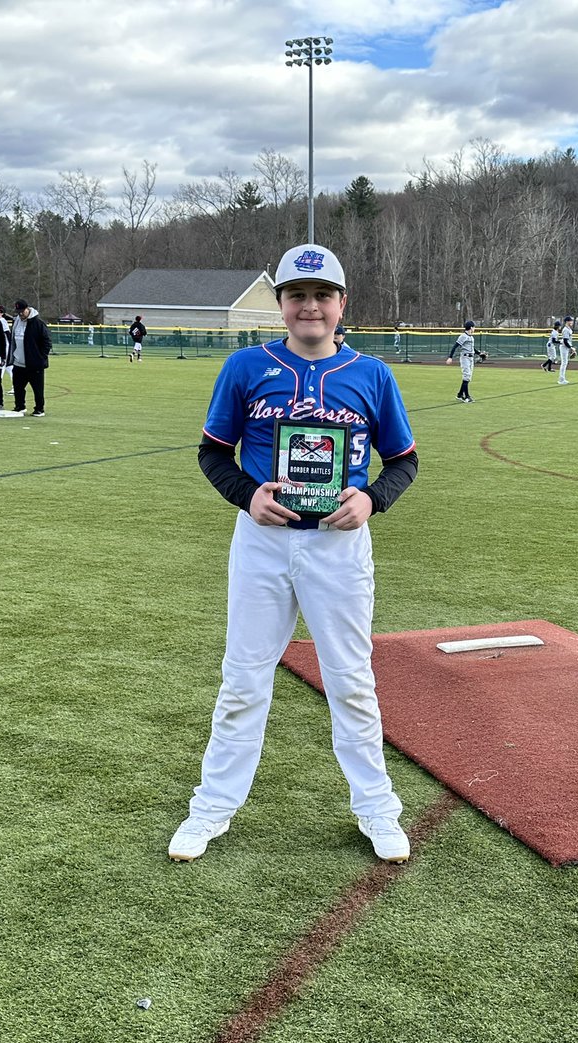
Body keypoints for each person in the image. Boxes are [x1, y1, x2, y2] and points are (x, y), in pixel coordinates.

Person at [168, 242, 418, 866]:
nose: (310, 306)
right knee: (244, 678)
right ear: (280, 305)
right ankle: (211, 807)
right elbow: (211, 454)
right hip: (263, 544)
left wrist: (372, 501)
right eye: (297, 295)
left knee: (351, 680)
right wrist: (247, 496)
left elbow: (404, 461)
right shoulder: (246, 367)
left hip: (339, 546)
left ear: (341, 304)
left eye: (322, 295)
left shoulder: (371, 374)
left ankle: (377, 809)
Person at [10, 299, 53, 415]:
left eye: (22, 312)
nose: (20, 314)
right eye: (18, 312)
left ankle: (39, 409)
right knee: (18, 387)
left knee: (38, 389)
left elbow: (47, 342)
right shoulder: (16, 323)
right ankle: (20, 406)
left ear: (27, 309)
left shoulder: (38, 323)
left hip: (35, 364)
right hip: (19, 362)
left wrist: (40, 357)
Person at [446, 319, 486, 402]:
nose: (474, 329)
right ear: (471, 327)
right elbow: (455, 346)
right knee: (466, 376)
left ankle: (460, 395)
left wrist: (479, 353)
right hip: (465, 358)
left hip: (471, 358)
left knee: (468, 378)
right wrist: (450, 357)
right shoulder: (463, 336)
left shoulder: (471, 337)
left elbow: (472, 349)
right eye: (474, 327)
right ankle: (467, 396)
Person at [558, 315, 576, 385]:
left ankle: (562, 379)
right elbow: (565, 341)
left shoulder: (568, 329)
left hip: (566, 347)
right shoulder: (565, 330)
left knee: (565, 363)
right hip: (563, 347)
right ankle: (561, 380)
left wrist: (571, 348)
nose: (571, 322)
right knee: (564, 363)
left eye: (571, 320)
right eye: (570, 320)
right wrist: (571, 348)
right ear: (567, 321)